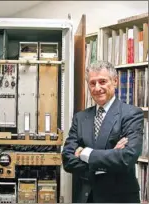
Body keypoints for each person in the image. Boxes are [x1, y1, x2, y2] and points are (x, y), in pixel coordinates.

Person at [62, 60, 144, 203]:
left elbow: (127, 158)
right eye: (92, 83)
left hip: (119, 199)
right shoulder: (80, 118)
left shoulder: (131, 114)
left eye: (102, 81)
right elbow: (68, 160)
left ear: (115, 81)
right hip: (85, 197)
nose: (97, 88)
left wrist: (84, 153)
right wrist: (111, 156)